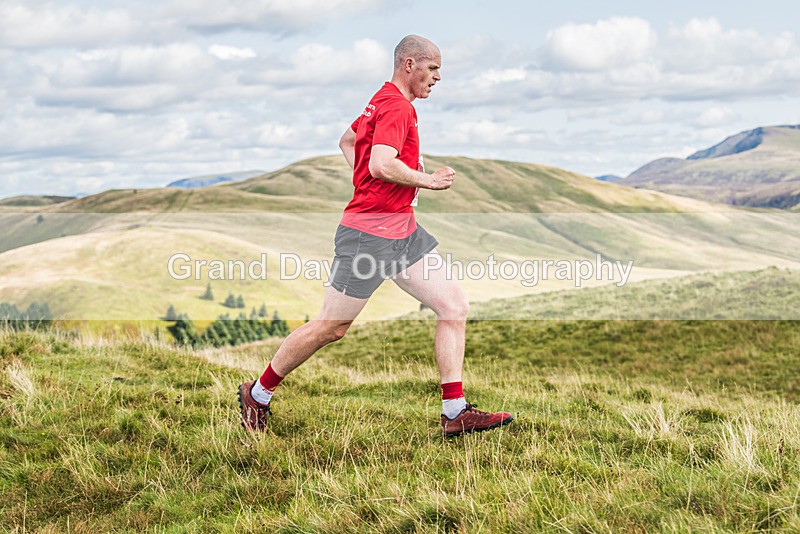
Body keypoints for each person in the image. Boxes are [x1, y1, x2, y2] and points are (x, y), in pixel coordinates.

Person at [238, 35, 513, 437]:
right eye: (432, 68)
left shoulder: (382, 99)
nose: (438, 77)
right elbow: (382, 163)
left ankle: (455, 411)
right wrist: (428, 181)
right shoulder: (397, 106)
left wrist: (371, 182)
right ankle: (256, 396)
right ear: (409, 65)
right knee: (331, 328)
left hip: (402, 230)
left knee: (453, 306)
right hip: (369, 236)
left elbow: (348, 141)